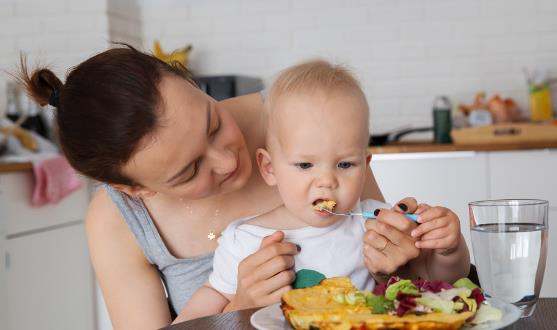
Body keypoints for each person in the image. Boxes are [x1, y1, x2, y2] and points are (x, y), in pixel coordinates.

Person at [17, 46, 390, 330]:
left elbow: (399, 273)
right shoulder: (115, 221)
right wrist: (240, 305)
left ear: (194, 84)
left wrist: (415, 248)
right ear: (136, 190)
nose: (228, 161)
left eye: (213, 123)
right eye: (190, 170)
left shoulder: (297, 118)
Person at [177, 60, 471, 322]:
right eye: (305, 165)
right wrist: (240, 302)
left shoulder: (373, 223)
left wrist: (448, 247)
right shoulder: (243, 240)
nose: (327, 181)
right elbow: (196, 320)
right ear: (269, 168)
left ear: (365, 165)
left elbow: (441, 278)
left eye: (345, 164)